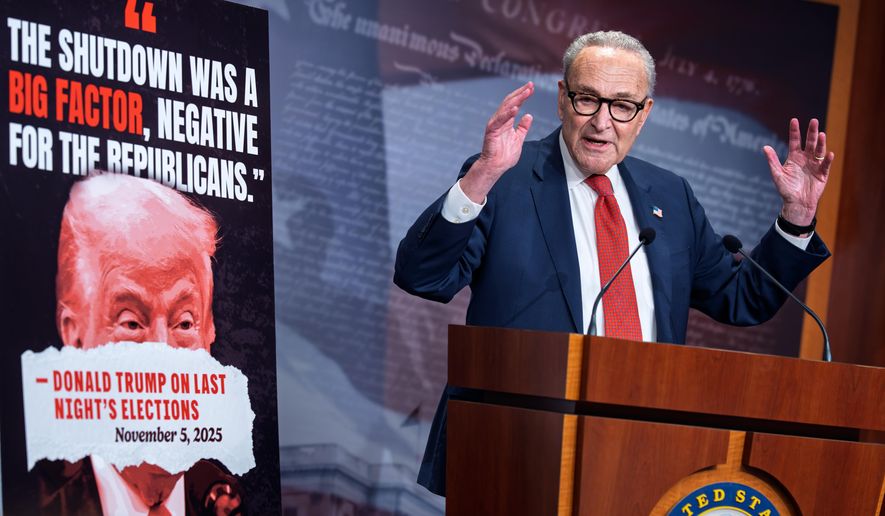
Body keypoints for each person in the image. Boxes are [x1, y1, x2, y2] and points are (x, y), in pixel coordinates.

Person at [393, 31, 832, 496]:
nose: (602, 122)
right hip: (514, 448)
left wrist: (797, 218)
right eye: (587, 99)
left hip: (643, 452)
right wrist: (479, 178)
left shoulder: (670, 196)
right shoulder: (505, 177)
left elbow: (741, 298)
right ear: (562, 99)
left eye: (622, 106)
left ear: (644, 114)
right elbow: (423, 277)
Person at [35, 173, 243, 515]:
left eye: (185, 323)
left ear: (209, 334)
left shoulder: (231, 498)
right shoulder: (33, 497)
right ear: (75, 340)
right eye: (131, 323)